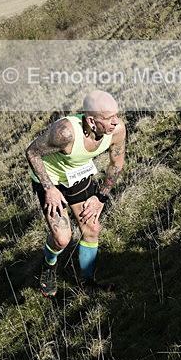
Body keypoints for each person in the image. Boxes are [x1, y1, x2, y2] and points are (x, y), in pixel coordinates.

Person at [26, 90, 126, 297]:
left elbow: (117, 163)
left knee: (92, 229)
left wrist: (100, 197)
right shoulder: (65, 132)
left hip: (77, 177)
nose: (115, 122)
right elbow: (32, 152)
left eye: (116, 115)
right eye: (109, 119)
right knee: (62, 238)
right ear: (91, 120)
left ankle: (88, 283)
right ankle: (49, 266)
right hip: (50, 180)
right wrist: (49, 188)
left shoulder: (117, 131)